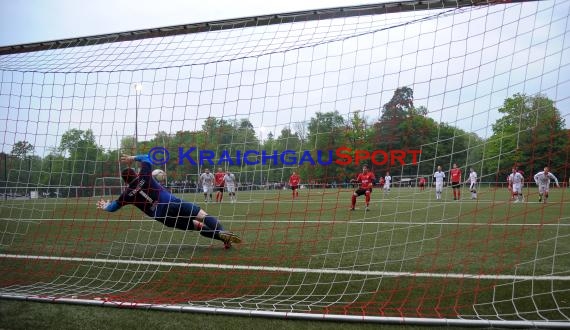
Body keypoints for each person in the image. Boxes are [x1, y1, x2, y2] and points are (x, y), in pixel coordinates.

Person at [97, 155, 241, 249]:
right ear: (135, 174)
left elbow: (112, 208)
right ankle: (223, 236)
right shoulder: (144, 176)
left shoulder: (127, 194)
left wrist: (105, 205)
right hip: (172, 202)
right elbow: (146, 157)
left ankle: (221, 237)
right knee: (203, 216)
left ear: (125, 181)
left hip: (163, 217)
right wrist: (132, 157)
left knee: (197, 226)